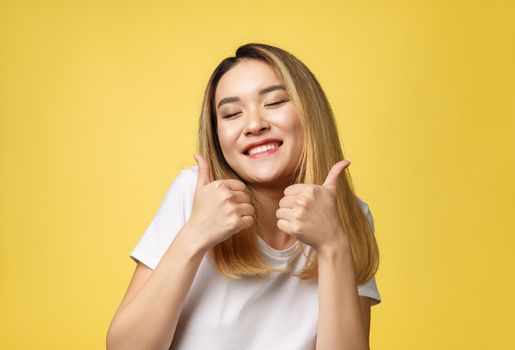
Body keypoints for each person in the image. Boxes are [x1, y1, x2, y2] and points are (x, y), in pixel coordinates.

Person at [106, 43, 381, 350]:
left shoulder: (347, 215)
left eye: (274, 102)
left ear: (310, 113)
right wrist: (194, 235)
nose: (254, 125)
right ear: (217, 135)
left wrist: (333, 246)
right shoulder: (193, 193)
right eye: (232, 113)